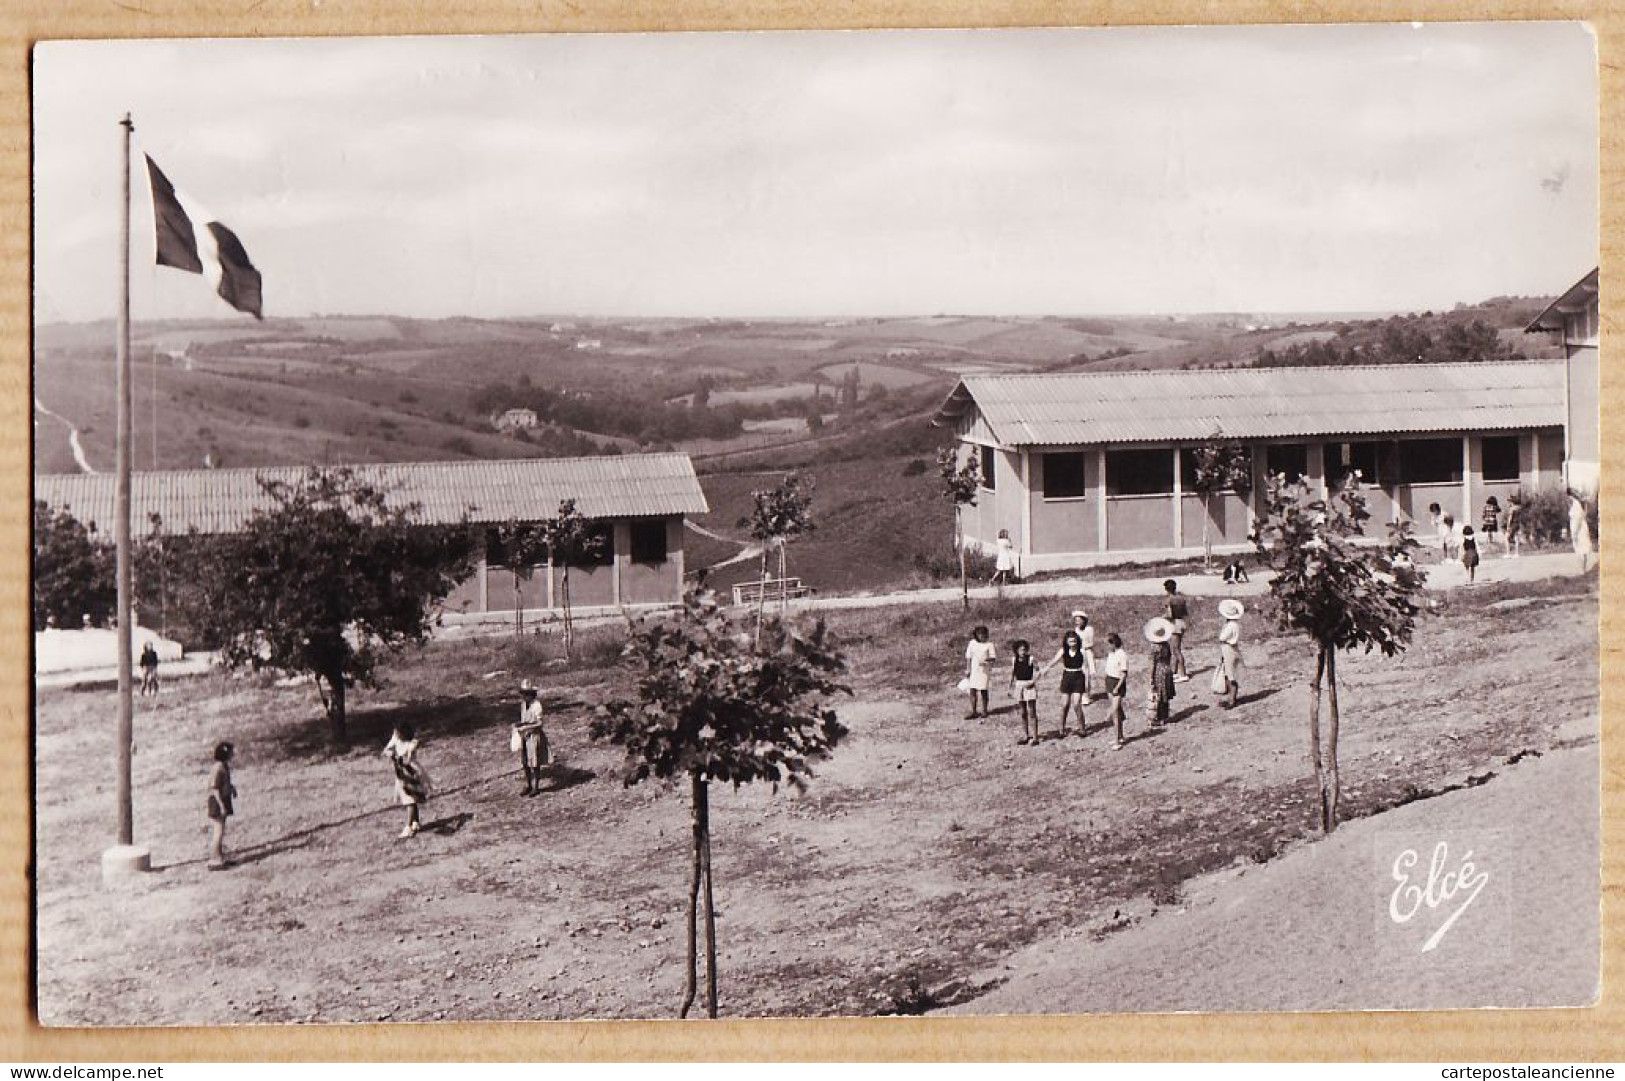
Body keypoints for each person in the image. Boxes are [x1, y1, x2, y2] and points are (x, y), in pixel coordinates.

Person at [383, 723, 431, 839]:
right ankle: (416, 822)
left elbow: (407, 758)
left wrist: (399, 757)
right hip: (402, 774)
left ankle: (409, 826)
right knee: (410, 799)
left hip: (411, 775)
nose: (395, 734)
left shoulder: (411, 745)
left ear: (403, 734)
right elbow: (386, 750)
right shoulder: (396, 740)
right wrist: (390, 753)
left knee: (409, 800)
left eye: (397, 732)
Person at [1038, 629, 1089, 738]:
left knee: (1076, 705)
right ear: (1066, 642)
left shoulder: (1082, 651)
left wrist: (1088, 683)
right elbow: (1054, 661)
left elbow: (1086, 668)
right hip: (1067, 677)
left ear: (1077, 641)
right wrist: (1046, 669)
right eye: (1070, 641)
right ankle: (1061, 729)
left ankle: (1082, 729)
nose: (1072, 643)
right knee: (1064, 704)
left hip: (1078, 677)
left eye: (1074, 641)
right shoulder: (1063, 651)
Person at [513, 678, 551, 796]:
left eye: (526, 694)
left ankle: (536, 787)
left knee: (535, 762)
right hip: (525, 735)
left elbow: (540, 723)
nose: (524, 697)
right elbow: (525, 719)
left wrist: (528, 727)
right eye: (523, 694)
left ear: (531, 694)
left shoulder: (537, 705)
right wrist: (521, 725)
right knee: (525, 762)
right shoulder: (524, 705)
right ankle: (529, 784)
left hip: (534, 736)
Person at [206, 741, 237, 870]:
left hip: (223, 801)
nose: (233, 754)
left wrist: (232, 788)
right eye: (231, 752)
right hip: (217, 803)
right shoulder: (218, 768)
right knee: (218, 831)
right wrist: (222, 805)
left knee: (221, 830)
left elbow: (224, 783)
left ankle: (219, 856)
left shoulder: (224, 766)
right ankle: (214, 860)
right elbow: (214, 788)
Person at [1007, 640, 1040, 745]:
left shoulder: (1031, 659)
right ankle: (1026, 735)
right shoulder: (1014, 659)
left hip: (1029, 685)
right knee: (1023, 712)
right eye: (1021, 649)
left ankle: (1035, 737)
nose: (1023, 651)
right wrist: (1010, 687)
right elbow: (1012, 673)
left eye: (1025, 649)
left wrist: (1033, 682)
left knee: (1032, 712)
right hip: (1019, 685)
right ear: (1016, 650)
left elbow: (1039, 672)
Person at [1144, 618, 1175, 726]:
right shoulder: (1166, 645)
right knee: (1165, 695)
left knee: (1158, 695)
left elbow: (1152, 663)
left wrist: (1150, 678)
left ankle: (1156, 717)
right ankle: (1164, 716)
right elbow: (1170, 657)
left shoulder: (1154, 647)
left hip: (1158, 671)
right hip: (1167, 669)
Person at [1216, 598, 1244, 709]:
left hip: (1229, 649)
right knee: (1230, 674)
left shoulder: (1230, 626)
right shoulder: (1235, 624)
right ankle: (1231, 698)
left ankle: (1232, 700)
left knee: (1231, 676)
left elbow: (1222, 637)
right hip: (1232, 649)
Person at [1103, 633, 1129, 749]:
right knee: (1117, 710)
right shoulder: (1111, 654)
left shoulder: (1121, 655)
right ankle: (1121, 736)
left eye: (1108, 644)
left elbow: (1124, 674)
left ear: (1113, 643)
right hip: (1109, 681)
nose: (1107, 647)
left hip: (1117, 683)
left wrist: (1117, 687)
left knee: (1114, 711)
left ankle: (1116, 741)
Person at [963, 625, 996, 719]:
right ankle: (974, 711)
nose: (982, 636)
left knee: (984, 690)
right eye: (979, 634)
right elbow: (968, 657)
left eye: (984, 634)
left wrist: (987, 660)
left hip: (984, 671)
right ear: (976, 635)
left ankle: (984, 710)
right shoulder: (972, 643)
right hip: (974, 670)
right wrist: (968, 669)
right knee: (972, 690)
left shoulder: (989, 644)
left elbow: (993, 657)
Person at [1162, 581, 1191, 682]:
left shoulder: (1168, 600)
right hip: (1182, 622)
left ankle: (1182, 674)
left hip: (1175, 624)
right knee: (1176, 649)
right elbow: (1185, 612)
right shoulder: (1181, 598)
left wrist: (1161, 618)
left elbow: (1169, 615)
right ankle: (1174, 672)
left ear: (1166, 589)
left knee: (1176, 650)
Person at [1065, 610, 1100, 692]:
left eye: (1079, 620)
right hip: (1079, 651)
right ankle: (1082, 692)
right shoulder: (1076, 630)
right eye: (1076, 620)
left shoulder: (1089, 629)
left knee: (1089, 672)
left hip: (1087, 652)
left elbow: (1090, 643)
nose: (1077, 622)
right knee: (1081, 671)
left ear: (1083, 620)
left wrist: (1082, 646)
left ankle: (1087, 693)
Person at [1569, 489, 1593, 571]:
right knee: (1584, 549)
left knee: (1580, 549)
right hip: (1582, 526)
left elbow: (1577, 519)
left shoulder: (1576, 504)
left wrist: (1574, 533)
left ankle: (1583, 569)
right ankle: (1583, 569)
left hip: (1579, 528)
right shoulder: (1580, 503)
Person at [1503, 493, 1523, 558]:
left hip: (1512, 525)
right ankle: (1517, 553)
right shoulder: (1519, 508)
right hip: (1517, 524)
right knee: (1516, 538)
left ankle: (1508, 553)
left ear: (1512, 502)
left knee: (1506, 538)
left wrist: (1508, 526)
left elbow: (1510, 518)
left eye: (1510, 501)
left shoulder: (1512, 509)